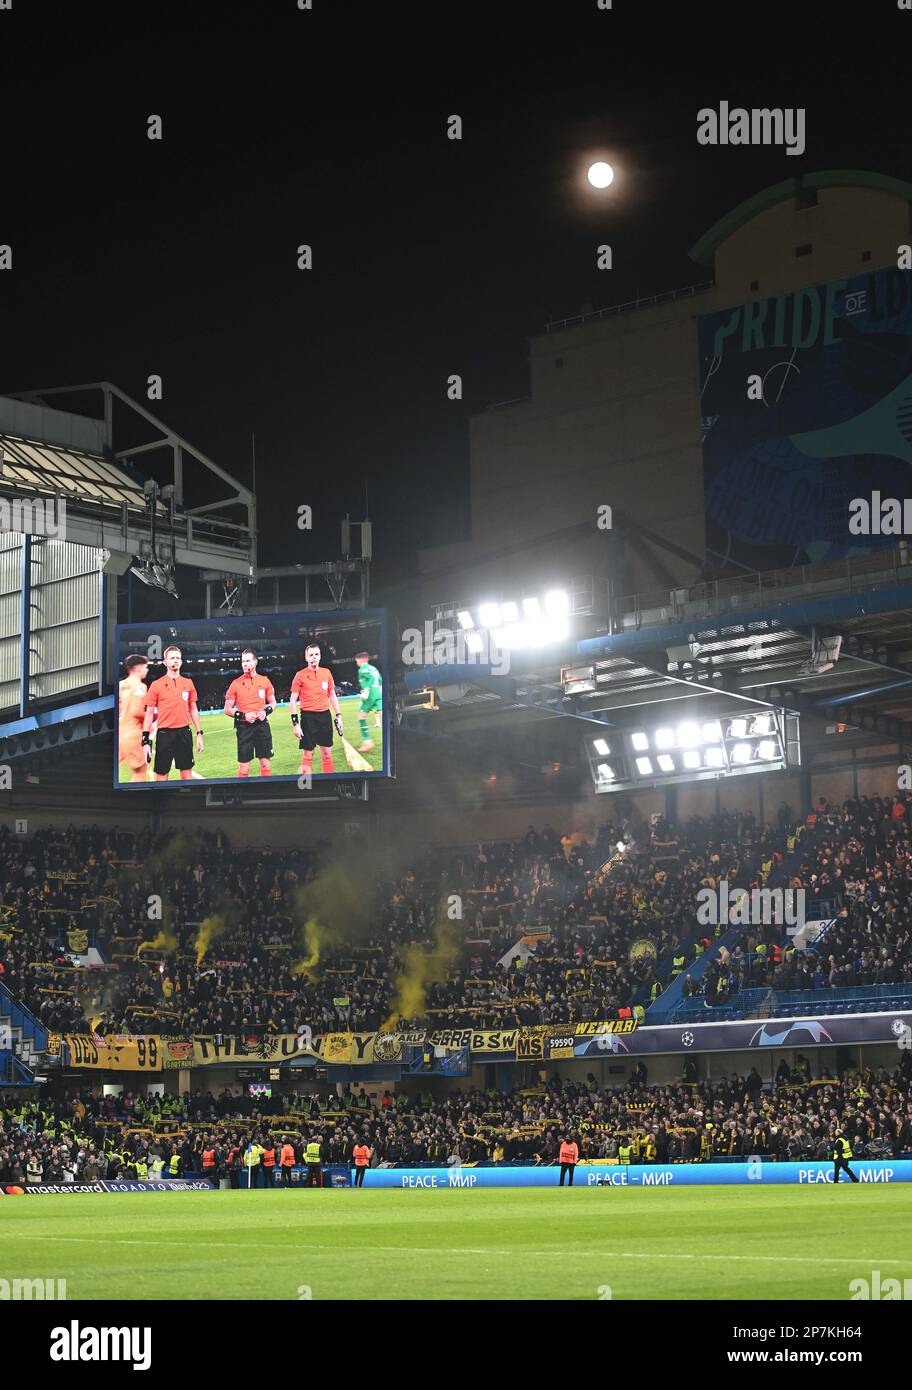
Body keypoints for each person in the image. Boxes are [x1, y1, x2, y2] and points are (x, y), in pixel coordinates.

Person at [142, 646, 204, 781]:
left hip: (184, 733)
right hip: (165, 735)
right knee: (161, 776)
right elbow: (149, 714)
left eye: (177, 658)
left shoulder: (188, 683)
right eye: (172, 658)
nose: (175, 661)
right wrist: (145, 741)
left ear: (181, 661)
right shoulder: (156, 685)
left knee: (186, 774)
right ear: (165, 662)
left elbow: (193, 709)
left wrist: (199, 733)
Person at [290, 643, 344, 778]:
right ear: (306, 657)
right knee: (308, 754)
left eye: (316, 654)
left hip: (325, 716)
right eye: (311, 655)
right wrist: (295, 724)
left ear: (320, 656)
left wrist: (339, 715)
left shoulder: (326, 673)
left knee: (326, 753)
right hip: (308, 718)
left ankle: (329, 781)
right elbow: (292, 700)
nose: (314, 657)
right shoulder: (300, 675)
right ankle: (305, 785)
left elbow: (332, 695)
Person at [224, 650, 276, 778]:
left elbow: (273, 703)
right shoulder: (235, 683)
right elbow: (227, 709)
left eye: (248, 661)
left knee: (265, 764)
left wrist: (266, 712)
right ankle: (241, 795)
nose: (245, 664)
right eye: (243, 661)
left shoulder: (265, 680)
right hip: (244, 728)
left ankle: (265, 793)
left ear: (255, 662)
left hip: (262, 726)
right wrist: (243, 716)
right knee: (244, 768)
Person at [118, 655, 150, 782]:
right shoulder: (140, 686)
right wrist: (151, 717)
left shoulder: (120, 685)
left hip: (119, 733)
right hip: (133, 734)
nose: (147, 670)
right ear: (138, 668)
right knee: (140, 770)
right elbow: (136, 711)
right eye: (145, 667)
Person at [354, 651, 382, 753]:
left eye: (357, 661)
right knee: (382, 714)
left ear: (362, 659)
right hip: (378, 693)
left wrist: (366, 690)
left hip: (370, 695)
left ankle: (367, 741)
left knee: (361, 717)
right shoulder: (374, 668)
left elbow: (370, 678)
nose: (357, 663)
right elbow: (379, 680)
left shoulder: (363, 668)